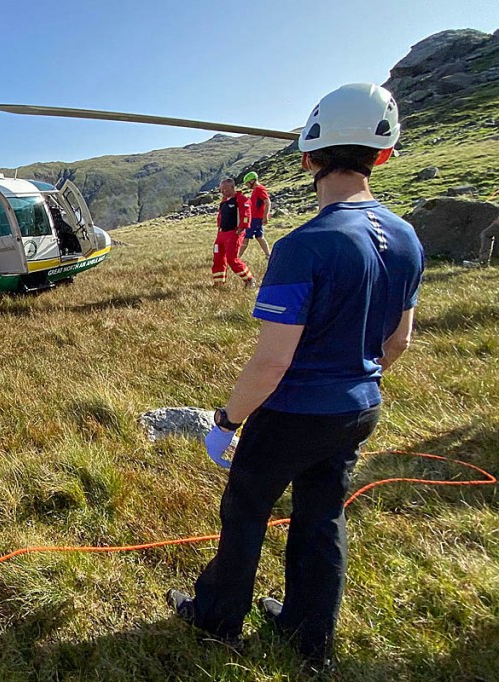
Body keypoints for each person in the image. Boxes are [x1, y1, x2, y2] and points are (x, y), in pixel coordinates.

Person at [166, 83, 424, 671]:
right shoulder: (407, 237)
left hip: (294, 412)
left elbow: (272, 362)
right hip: (359, 407)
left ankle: (216, 617)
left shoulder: (305, 246)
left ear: (308, 157)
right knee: (323, 514)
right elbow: (398, 341)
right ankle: (309, 634)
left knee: (246, 508)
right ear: (381, 156)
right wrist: (355, 382)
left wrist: (228, 419)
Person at [212, 178, 256, 288]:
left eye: (225, 189)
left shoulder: (241, 199)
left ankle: (249, 279)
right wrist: (218, 230)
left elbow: (246, 215)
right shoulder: (224, 201)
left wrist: (241, 229)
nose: (223, 191)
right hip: (222, 234)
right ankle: (219, 282)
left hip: (233, 233)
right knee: (218, 258)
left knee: (232, 259)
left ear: (232, 187)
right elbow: (220, 217)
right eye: (221, 189)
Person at [239, 171, 272, 259]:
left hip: (255, 218)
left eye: (247, 183)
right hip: (255, 218)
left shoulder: (259, 189)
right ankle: (268, 255)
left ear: (252, 181)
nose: (246, 185)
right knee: (259, 237)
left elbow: (267, 202)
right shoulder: (256, 190)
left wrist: (265, 216)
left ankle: (237, 257)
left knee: (246, 237)